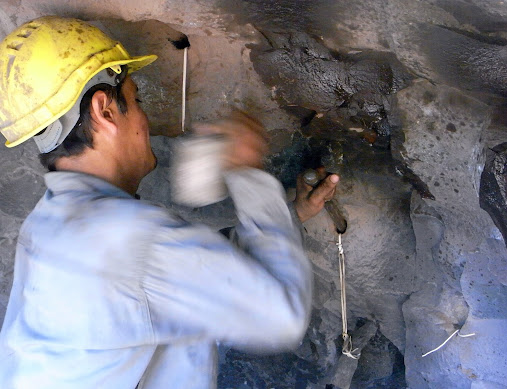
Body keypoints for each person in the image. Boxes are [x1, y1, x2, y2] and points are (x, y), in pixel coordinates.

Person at [0, 16, 339, 388]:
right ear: (105, 111)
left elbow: (182, 278)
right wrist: (247, 172)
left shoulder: (48, 225)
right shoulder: (128, 237)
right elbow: (281, 315)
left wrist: (288, 216)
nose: (146, 118)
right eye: (137, 99)